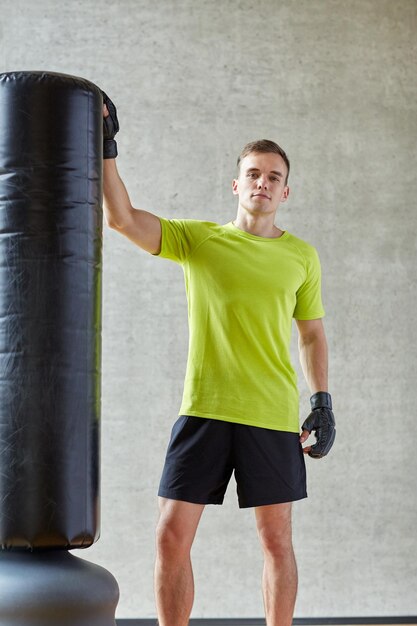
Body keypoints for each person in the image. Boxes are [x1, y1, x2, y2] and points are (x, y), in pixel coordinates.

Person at [101, 92, 335, 626]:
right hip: (204, 408)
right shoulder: (199, 240)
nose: (263, 183)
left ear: (285, 190)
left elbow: (313, 334)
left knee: (277, 541)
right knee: (169, 537)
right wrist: (107, 150)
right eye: (254, 173)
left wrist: (322, 400)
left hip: (271, 415)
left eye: (274, 176)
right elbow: (122, 219)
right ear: (237, 184)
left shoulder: (301, 256)